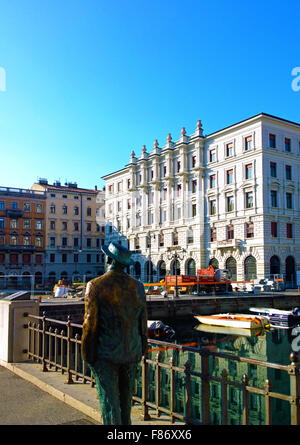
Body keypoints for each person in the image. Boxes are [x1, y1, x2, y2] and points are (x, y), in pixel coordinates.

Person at [81, 241, 148, 425]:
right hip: (132, 352)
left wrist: (87, 356)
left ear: (108, 259)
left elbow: (89, 326)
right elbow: (143, 323)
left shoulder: (95, 285)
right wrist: (142, 348)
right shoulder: (138, 287)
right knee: (126, 404)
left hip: (106, 356)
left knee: (110, 404)